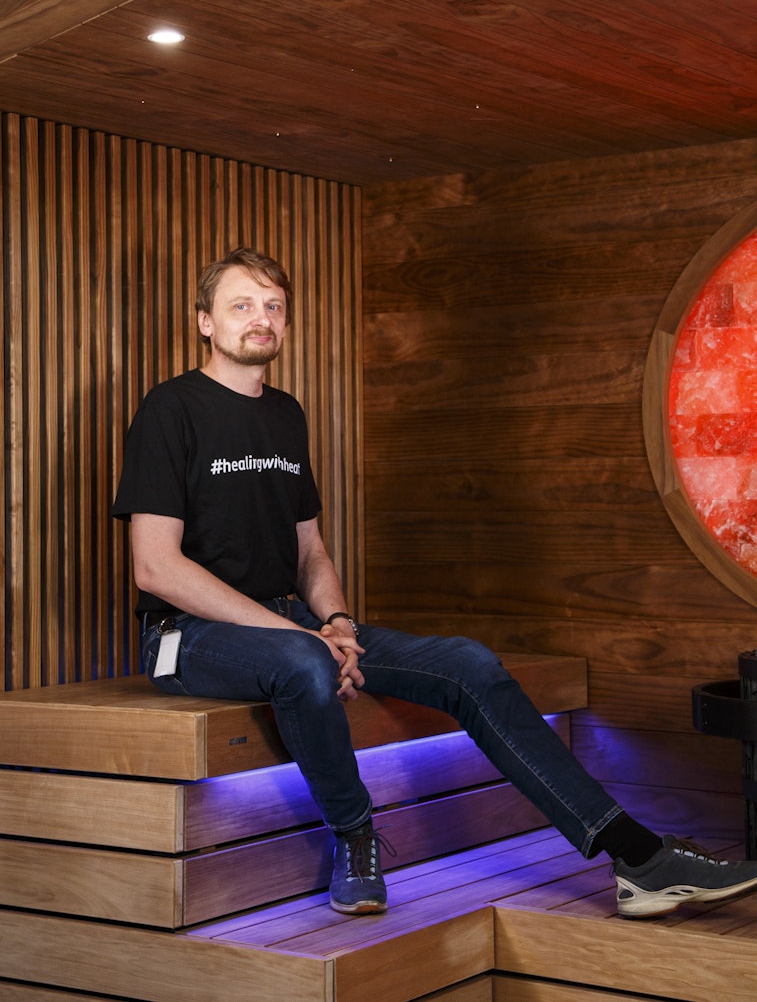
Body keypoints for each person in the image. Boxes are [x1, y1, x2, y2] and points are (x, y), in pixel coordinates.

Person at [114, 246, 757, 919]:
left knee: (467, 663)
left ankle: (637, 856)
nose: (262, 318)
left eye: (273, 306)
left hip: (289, 625)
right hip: (184, 638)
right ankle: (356, 839)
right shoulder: (170, 409)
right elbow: (156, 566)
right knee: (301, 659)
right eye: (241, 305)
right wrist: (302, 638)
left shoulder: (285, 414)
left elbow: (310, 550)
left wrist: (332, 620)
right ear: (204, 322)